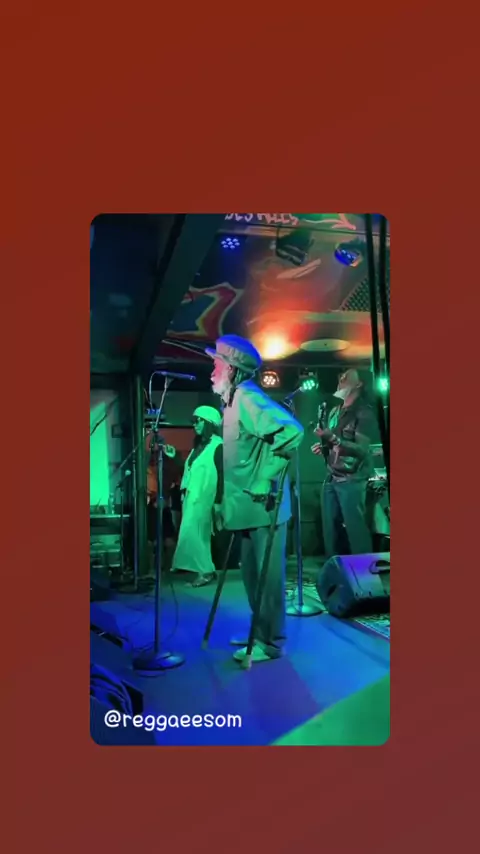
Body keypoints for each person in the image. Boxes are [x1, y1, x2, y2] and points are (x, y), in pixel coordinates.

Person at [206, 334, 304, 664]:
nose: (212, 371)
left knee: (267, 579)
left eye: (217, 365)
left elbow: (292, 432)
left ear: (233, 370)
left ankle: (272, 643)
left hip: (264, 510)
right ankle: (259, 633)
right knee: (251, 576)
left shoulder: (247, 398)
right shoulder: (232, 401)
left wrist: (266, 477)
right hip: (246, 509)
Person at [311, 369, 377, 557]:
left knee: (356, 529)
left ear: (359, 384)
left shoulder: (364, 413)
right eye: (341, 375)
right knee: (331, 531)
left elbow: (362, 449)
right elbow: (334, 443)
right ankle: (336, 569)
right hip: (332, 476)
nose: (341, 378)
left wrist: (333, 439)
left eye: (347, 376)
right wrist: (324, 447)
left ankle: (363, 572)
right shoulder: (335, 411)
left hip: (352, 479)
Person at [171, 405, 223, 588]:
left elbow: (222, 475)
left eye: (199, 420)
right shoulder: (198, 447)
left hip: (204, 498)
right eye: (194, 421)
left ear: (209, 423)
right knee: (192, 533)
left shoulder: (218, 446)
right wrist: (175, 457)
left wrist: (218, 502)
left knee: (198, 535)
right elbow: (190, 472)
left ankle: (205, 571)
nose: (195, 424)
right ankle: (204, 569)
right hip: (192, 498)